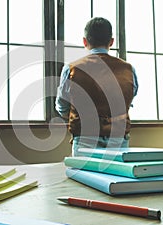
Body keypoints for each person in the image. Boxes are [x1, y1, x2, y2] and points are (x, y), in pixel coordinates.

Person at [55, 17, 138, 156]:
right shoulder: (128, 69)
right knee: (117, 177)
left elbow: (61, 105)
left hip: (85, 138)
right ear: (111, 42)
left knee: (83, 177)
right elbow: (130, 97)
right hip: (118, 139)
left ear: (84, 41)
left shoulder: (72, 69)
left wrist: (76, 116)